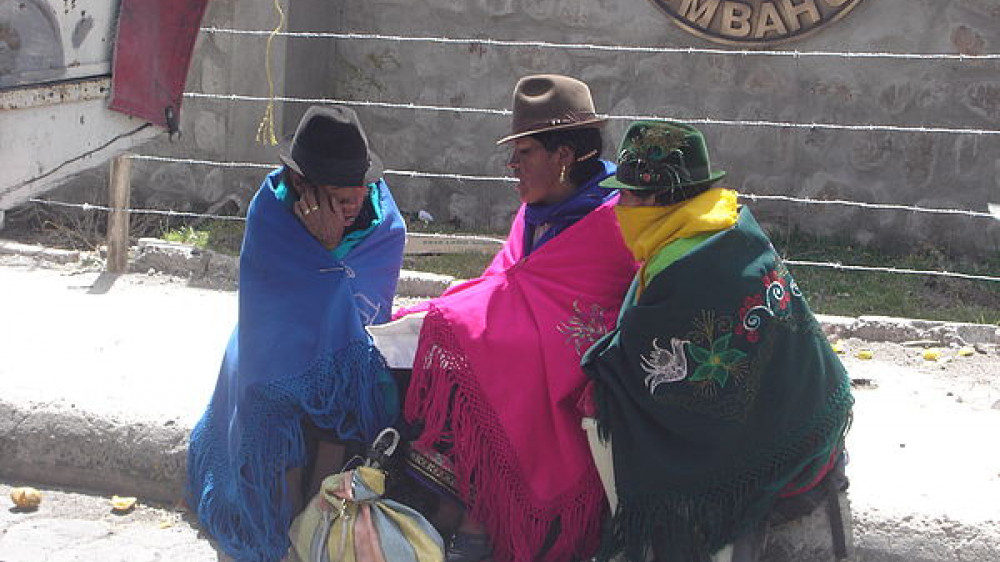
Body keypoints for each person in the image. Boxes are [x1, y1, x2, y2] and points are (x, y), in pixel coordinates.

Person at [581, 120, 855, 562]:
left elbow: (646, 370)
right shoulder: (730, 222)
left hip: (783, 457)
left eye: (629, 196)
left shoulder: (688, 267)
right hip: (812, 417)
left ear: (659, 203)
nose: (618, 206)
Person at [393, 74, 638, 562]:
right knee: (439, 339)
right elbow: (505, 285)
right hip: (523, 349)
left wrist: (484, 327)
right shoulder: (538, 209)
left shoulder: (615, 217)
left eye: (523, 152)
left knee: (490, 356)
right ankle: (455, 507)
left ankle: (480, 523)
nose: (511, 164)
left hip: (581, 368)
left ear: (563, 155)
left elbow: (596, 314)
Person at [186, 105, 407, 562]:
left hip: (347, 349)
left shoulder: (384, 226)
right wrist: (321, 252)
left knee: (344, 403)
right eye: (339, 200)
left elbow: (362, 321)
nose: (353, 210)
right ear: (304, 189)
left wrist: (328, 256)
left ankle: (315, 527)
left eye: (358, 197)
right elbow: (272, 308)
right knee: (273, 402)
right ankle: (278, 528)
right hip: (274, 344)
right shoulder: (271, 214)